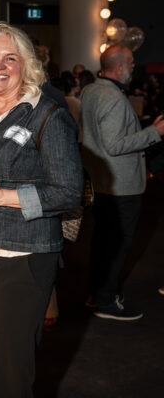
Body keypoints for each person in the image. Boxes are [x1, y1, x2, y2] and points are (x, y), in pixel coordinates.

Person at [0, 22, 82, 397]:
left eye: (10, 58)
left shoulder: (48, 115)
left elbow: (69, 192)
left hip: (22, 258)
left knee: (6, 377)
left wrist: (2, 196)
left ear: (26, 65)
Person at [81, 44, 164, 320]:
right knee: (117, 245)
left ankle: (96, 294)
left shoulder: (90, 90)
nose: (133, 66)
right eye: (131, 62)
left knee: (103, 242)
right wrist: (155, 131)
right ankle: (105, 301)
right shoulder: (113, 97)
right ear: (119, 67)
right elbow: (115, 145)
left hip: (103, 180)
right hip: (121, 184)